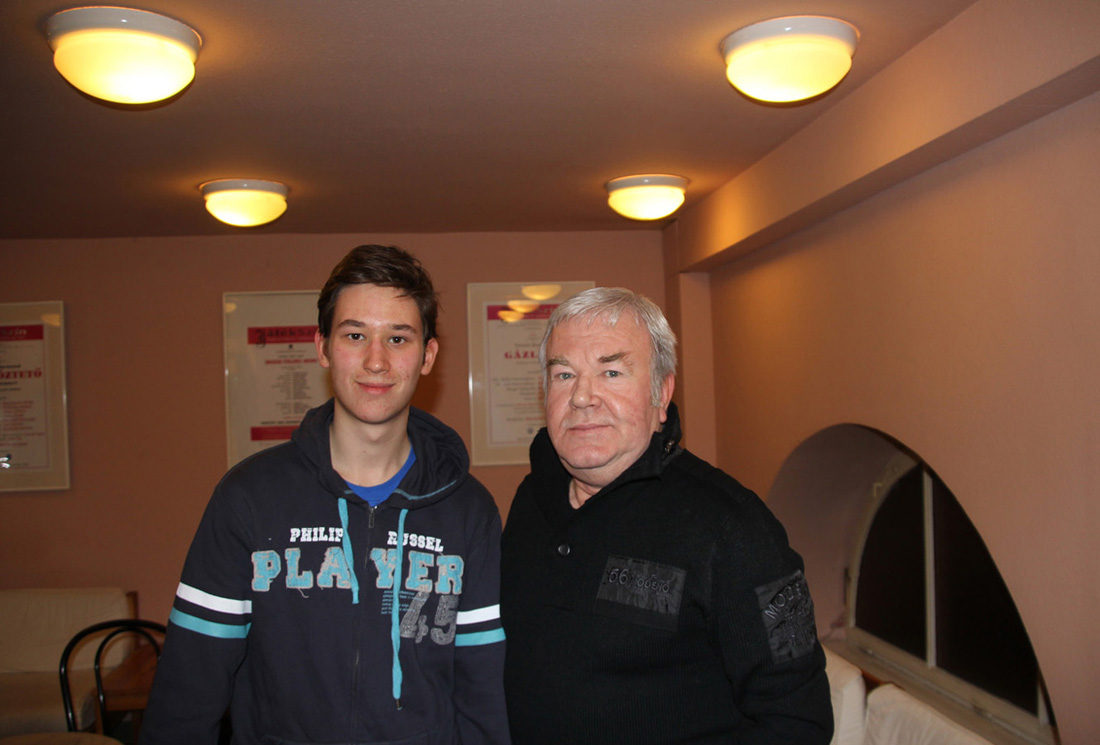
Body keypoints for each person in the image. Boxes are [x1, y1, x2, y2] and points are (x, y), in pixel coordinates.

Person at [143, 245, 510, 745]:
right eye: (355, 335)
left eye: (397, 338)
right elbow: (188, 689)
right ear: (322, 348)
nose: (376, 361)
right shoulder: (248, 496)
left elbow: (484, 692)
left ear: (427, 356)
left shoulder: (468, 510)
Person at [500, 287, 832, 745]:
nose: (582, 397)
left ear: (662, 394)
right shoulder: (531, 498)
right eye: (564, 375)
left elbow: (798, 722)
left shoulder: (734, 529)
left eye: (611, 372)